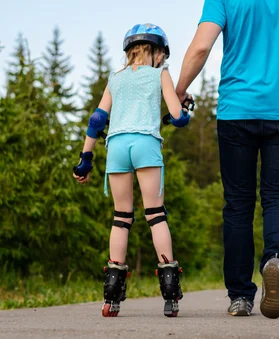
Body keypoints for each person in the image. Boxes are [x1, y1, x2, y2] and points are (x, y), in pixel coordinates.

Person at [175, 0, 279, 319]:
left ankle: (240, 296)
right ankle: (275, 259)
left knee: (238, 203)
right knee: (278, 197)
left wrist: (180, 90)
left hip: (236, 111)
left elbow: (200, 48)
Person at [72, 23, 192, 318]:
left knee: (121, 217)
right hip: (146, 144)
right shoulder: (160, 74)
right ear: (157, 52)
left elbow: (98, 119)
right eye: (163, 54)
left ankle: (111, 298)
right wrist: (183, 110)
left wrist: (85, 159)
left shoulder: (116, 77)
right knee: (156, 215)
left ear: (131, 51)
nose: (163, 60)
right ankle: (170, 295)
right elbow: (178, 116)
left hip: (116, 146)